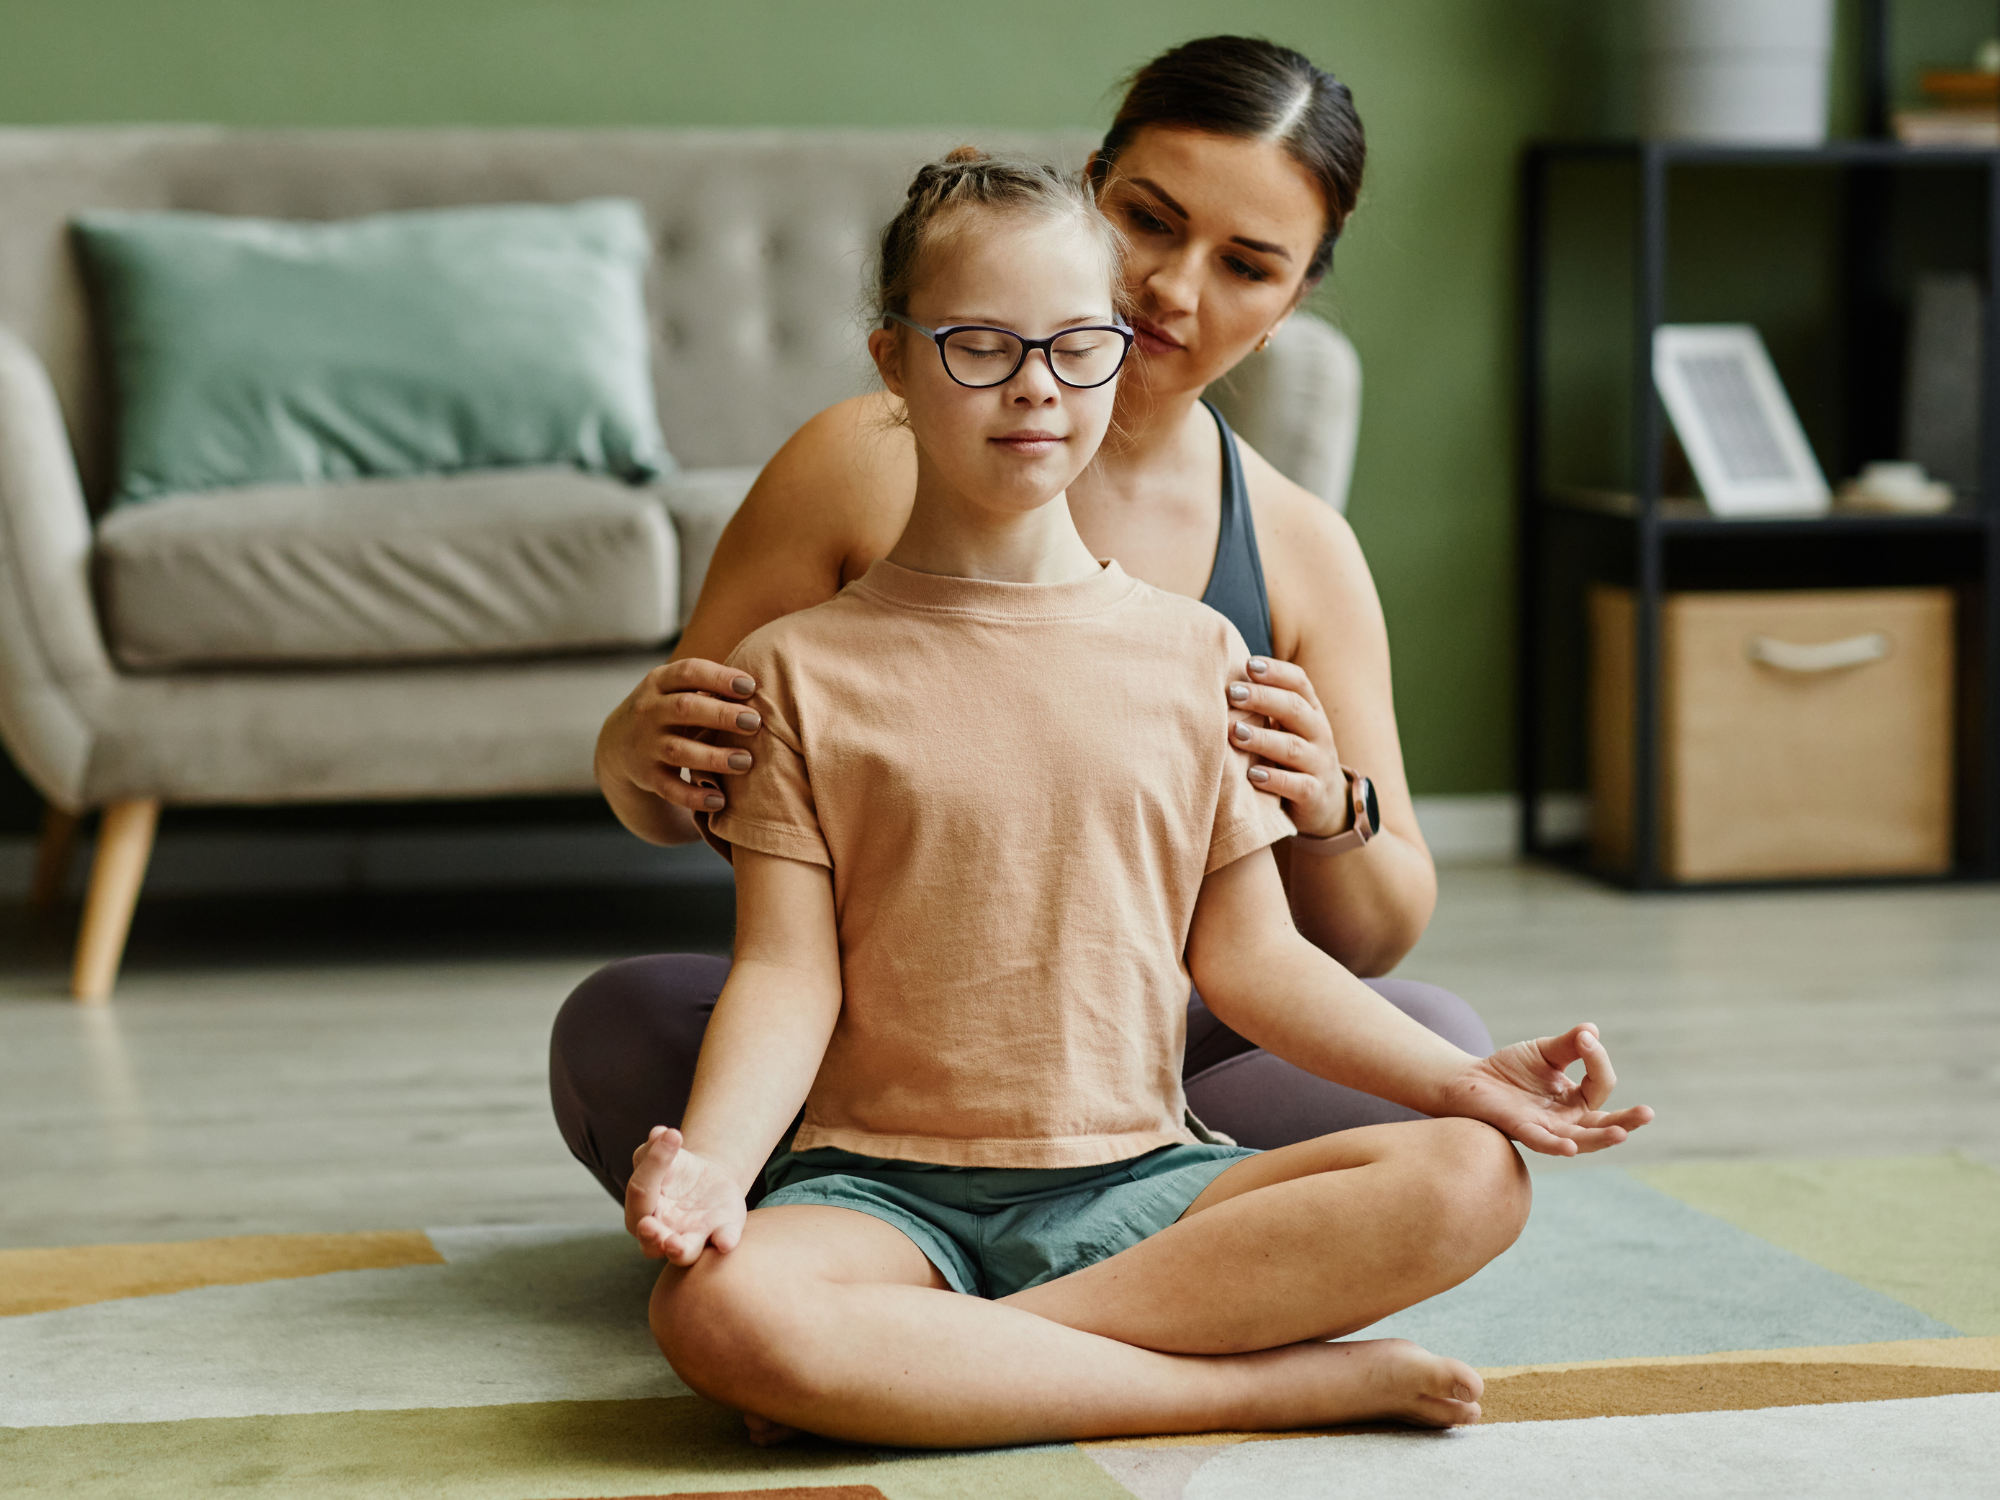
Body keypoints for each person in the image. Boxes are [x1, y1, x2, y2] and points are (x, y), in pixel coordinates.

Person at [627, 147, 1650, 1448]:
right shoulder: (797, 669)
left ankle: (931, 1371)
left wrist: (1469, 1083)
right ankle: (1253, 1387)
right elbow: (787, 975)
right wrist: (716, 1161)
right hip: (876, 1195)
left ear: (1118, 352)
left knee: (1471, 1177)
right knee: (713, 1314)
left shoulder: (1199, 658)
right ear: (892, 362)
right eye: (979, 347)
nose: (1036, 390)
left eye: (1075, 347)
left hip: (1144, 1179)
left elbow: (1254, 959)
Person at [553, 37, 1491, 1194]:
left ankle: (973, 1243)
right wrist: (627, 748)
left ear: (1291, 300)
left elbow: (1366, 941)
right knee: (621, 1027)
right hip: (879, 1037)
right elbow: (674, 788)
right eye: (1149, 219)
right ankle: (1130, 1242)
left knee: (1441, 1039)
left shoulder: (1300, 551)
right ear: (1090, 190)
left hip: (1156, 1052)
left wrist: (1327, 809)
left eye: (1246, 265)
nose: (1172, 288)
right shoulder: (855, 460)